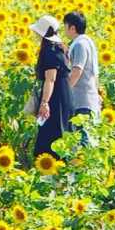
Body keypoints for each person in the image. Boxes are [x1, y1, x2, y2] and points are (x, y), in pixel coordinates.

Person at [29, 14, 73, 161]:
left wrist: (45, 103)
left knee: (52, 135)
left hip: (55, 98)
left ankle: (52, 172)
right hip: (65, 95)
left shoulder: (50, 51)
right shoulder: (61, 48)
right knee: (62, 133)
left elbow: (51, 79)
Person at [63, 11, 101, 147]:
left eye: (65, 26)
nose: (64, 30)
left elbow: (77, 71)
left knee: (83, 142)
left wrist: (64, 92)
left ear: (72, 28)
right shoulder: (87, 42)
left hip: (81, 100)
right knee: (85, 141)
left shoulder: (80, 45)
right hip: (88, 98)